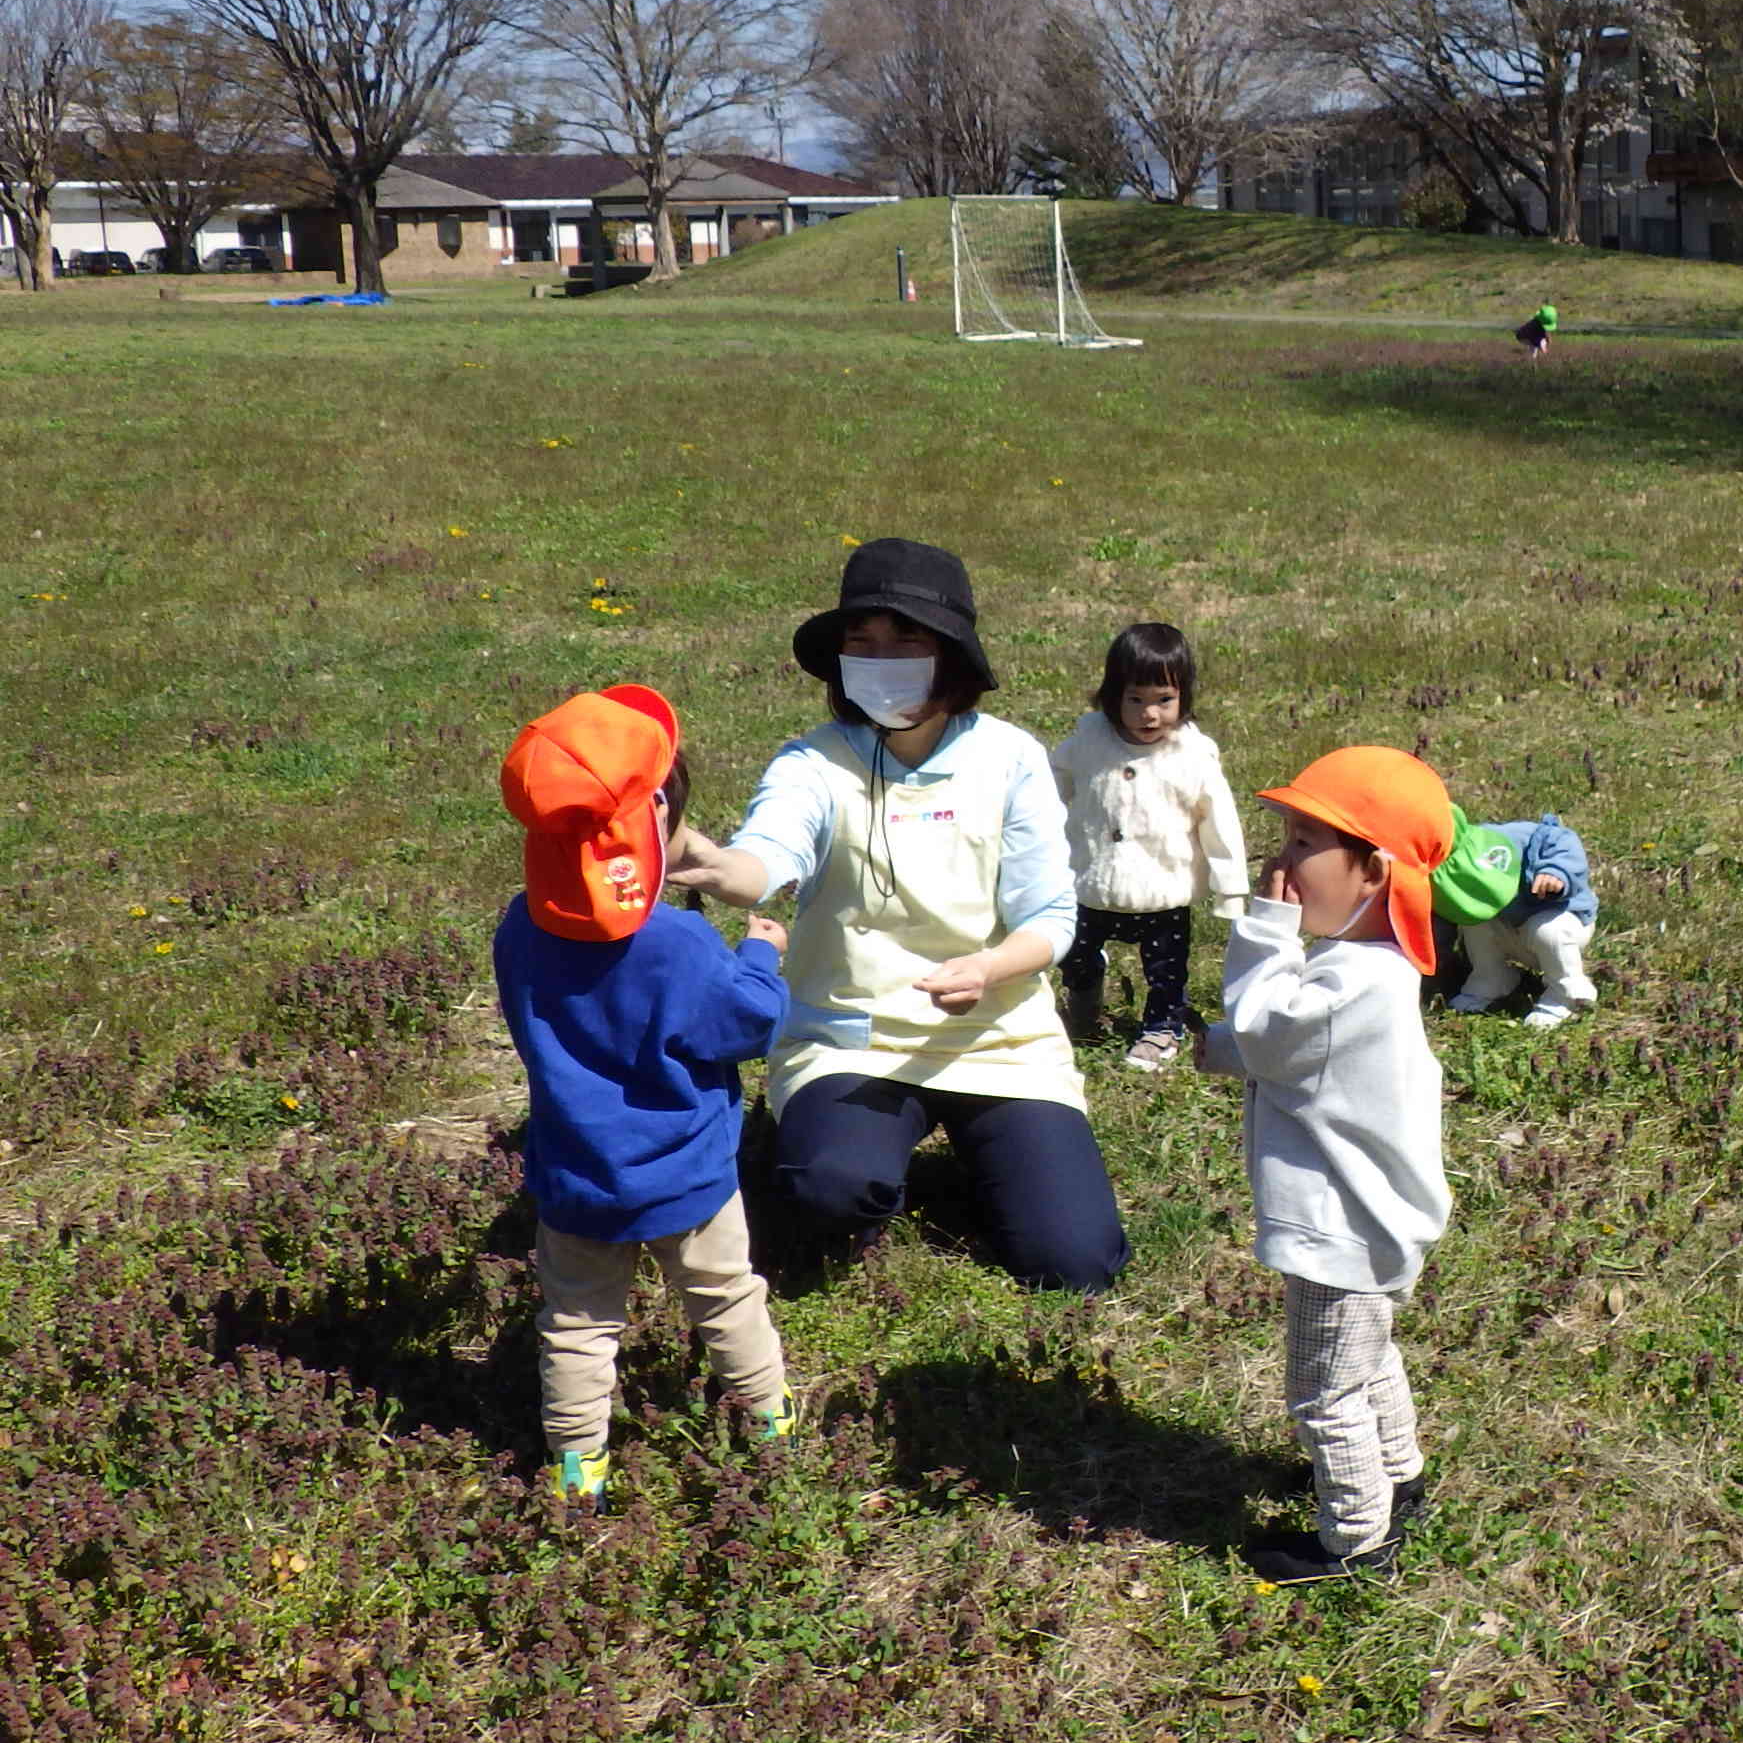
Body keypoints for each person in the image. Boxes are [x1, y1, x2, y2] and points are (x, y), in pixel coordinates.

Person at [669, 540, 1125, 1290]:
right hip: (852, 1038)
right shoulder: (811, 763)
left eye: (906, 639)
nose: (881, 657)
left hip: (1000, 1038)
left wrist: (991, 966)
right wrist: (710, 862)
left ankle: (985, 1165)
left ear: (952, 654)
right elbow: (765, 858)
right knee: (827, 1196)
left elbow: (1049, 914)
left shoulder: (1010, 758)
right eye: (862, 641)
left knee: (1077, 1263)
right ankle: (871, 1158)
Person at [494, 684, 793, 1510]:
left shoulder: (519, 927)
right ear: (656, 821)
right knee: (725, 1296)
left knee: (579, 1324)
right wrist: (762, 955)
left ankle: (577, 1466)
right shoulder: (680, 942)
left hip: (575, 1176)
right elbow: (744, 1026)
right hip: (686, 1177)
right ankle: (770, 1419)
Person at [1198, 747, 1454, 1585]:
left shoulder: (1354, 982)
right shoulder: (1371, 973)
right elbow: (1299, 1055)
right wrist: (1219, 1048)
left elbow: (1275, 1037)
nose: (1283, 859)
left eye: (1308, 839)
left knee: (1324, 1393)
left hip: (1342, 1232)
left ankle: (1356, 1540)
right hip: (1371, 1224)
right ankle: (1400, 1477)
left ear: (1374, 873)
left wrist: (1262, 931)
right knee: (1368, 1358)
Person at [1050, 622, 1250, 1073]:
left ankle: (1162, 1027)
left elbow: (1220, 823)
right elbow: (1048, 788)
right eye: (1135, 700)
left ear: (1184, 700)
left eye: (1164, 700)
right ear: (1112, 696)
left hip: (1164, 889)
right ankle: (1083, 1006)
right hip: (1093, 882)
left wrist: (1231, 888)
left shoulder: (1191, 756)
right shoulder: (1087, 744)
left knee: (1166, 969)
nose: (1149, 714)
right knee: (1074, 953)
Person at [1440, 810, 1598, 1030]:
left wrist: (1556, 871)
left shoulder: (1508, 838)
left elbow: (1562, 838)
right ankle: (1491, 977)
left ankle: (1566, 994)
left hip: (1558, 914)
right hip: (1508, 921)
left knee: (1548, 931)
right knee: (1475, 919)